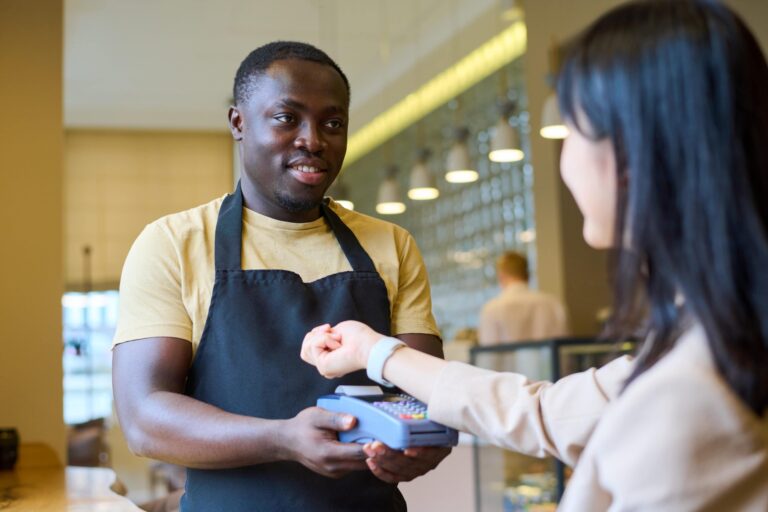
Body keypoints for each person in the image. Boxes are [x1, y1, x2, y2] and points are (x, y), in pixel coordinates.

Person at [301, 1, 768, 510]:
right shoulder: (712, 343)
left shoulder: (687, 395)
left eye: (572, 131)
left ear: (633, 156)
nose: (564, 161)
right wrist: (374, 351)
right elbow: (544, 410)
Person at [111, 41, 450, 512]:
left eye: (332, 123)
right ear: (239, 123)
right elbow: (144, 418)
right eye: (287, 118)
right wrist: (282, 438)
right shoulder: (173, 244)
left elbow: (429, 396)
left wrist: (422, 443)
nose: (313, 139)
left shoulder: (391, 245)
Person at [478, 251, 567, 345]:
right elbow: (565, 348)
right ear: (527, 275)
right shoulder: (553, 304)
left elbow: (489, 351)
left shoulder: (491, 309)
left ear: (501, 276)